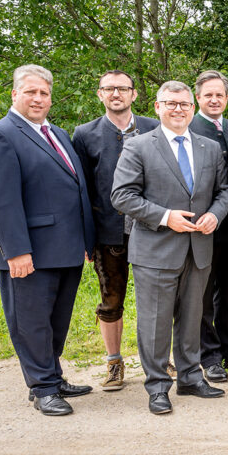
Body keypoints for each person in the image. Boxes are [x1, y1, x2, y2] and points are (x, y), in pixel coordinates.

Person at [0, 64, 96, 415]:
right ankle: (42, 389)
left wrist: (86, 240)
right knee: (31, 322)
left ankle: (53, 376)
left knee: (57, 320)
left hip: (67, 249)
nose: (38, 98)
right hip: (29, 253)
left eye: (43, 93)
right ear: (14, 94)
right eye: (30, 92)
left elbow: (74, 187)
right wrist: (16, 251)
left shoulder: (55, 133)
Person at [110, 80, 228, 415]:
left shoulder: (208, 147)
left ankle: (191, 376)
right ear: (158, 107)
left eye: (184, 104)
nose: (178, 109)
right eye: (171, 103)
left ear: (193, 109)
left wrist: (214, 215)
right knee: (155, 322)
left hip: (199, 247)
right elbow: (121, 196)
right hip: (156, 249)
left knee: (193, 318)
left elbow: (224, 192)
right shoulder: (138, 146)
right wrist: (165, 217)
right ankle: (157, 386)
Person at [72, 70, 159, 391]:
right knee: (111, 301)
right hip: (108, 233)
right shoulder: (84, 134)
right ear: (99, 94)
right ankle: (114, 363)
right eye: (108, 89)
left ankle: (159, 360)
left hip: (152, 229)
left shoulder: (153, 127)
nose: (116, 94)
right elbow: (81, 190)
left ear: (134, 94)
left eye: (122, 88)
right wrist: (85, 237)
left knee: (159, 298)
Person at [189, 70, 228, 381]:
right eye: (208, 95)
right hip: (202, 224)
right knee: (202, 295)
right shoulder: (189, 127)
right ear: (198, 97)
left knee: (227, 292)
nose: (214, 99)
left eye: (220, 95)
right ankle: (208, 355)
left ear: (227, 99)